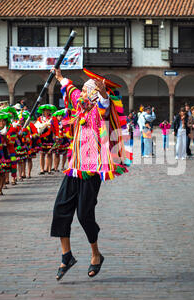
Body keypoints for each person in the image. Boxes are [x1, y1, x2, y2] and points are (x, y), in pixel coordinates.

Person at [50, 67, 132, 281]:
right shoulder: (79, 108)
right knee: (60, 209)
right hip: (74, 168)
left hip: (91, 170)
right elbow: (70, 90)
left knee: (84, 214)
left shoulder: (98, 111)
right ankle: (66, 255)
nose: (84, 94)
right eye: (85, 91)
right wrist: (60, 77)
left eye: (89, 91)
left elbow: (105, 105)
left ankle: (96, 255)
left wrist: (104, 93)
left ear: (94, 95)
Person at [0, 111, 16, 195]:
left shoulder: (10, 129)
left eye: (3, 121)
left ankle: (0, 188)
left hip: (5, 152)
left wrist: (6, 138)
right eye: (0, 121)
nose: (1, 123)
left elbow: (12, 142)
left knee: (3, 171)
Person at [35, 104, 59, 175]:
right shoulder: (40, 119)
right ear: (43, 111)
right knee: (42, 153)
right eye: (45, 111)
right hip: (42, 138)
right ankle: (42, 169)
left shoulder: (53, 118)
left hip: (50, 137)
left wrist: (57, 136)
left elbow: (56, 128)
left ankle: (49, 169)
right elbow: (37, 127)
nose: (47, 112)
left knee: (49, 153)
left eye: (48, 111)